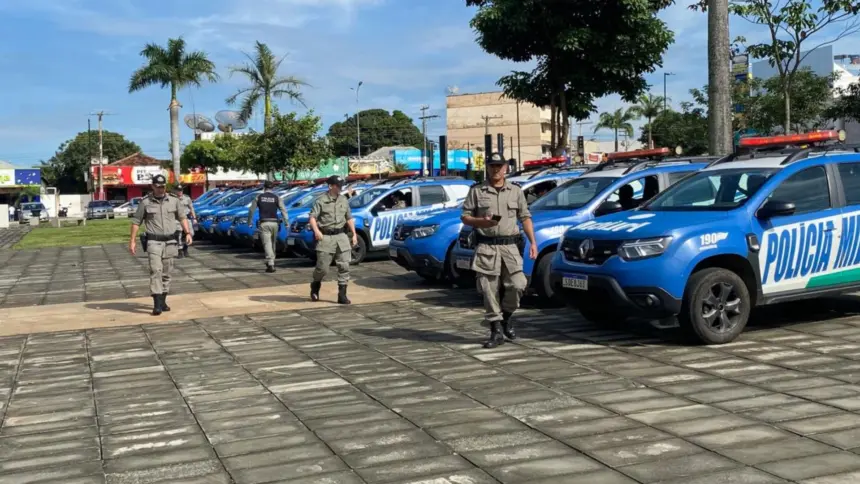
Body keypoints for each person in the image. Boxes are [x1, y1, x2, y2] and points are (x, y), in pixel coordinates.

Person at [461, 152, 537, 349]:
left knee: (518, 284)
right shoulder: (477, 191)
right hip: (487, 246)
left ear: (506, 168)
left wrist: (533, 242)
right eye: (492, 165)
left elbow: (525, 217)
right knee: (489, 290)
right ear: (487, 167)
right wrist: (481, 222)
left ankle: (507, 318)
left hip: (510, 247)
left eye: (499, 165)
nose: (496, 169)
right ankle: (496, 330)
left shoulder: (516, 191)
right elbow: (465, 217)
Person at [129, 174, 192, 316]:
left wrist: (188, 233)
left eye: (163, 186)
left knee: (166, 273)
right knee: (155, 270)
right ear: (152, 186)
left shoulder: (174, 201)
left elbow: (182, 217)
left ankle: (163, 300)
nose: (161, 189)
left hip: (170, 241)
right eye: (158, 187)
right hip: (154, 242)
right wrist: (132, 241)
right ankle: (156, 304)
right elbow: (136, 222)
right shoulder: (145, 203)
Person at [308, 175, 357, 304]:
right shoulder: (321, 201)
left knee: (344, 266)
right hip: (326, 237)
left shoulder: (343, 200)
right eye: (338, 185)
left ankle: (342, 295)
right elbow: (312, 217)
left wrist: (354, 233)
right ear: (331, 186)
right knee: (323, 268)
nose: (341, 188)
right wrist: (317, 231)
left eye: (341, 185)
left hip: (341, 237)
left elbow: (349, 217)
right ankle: (315, 285)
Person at [247, 180, 290, 273]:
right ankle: (271, 261)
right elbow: (283, 210)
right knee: (273, 243)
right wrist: (287, 222)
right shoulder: (276, 197)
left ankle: (270, 263)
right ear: (272, 188)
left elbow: (251, 210)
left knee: (267, 244)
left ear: (264, 188)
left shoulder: (259, 197)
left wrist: (249, 221)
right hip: (275, 223)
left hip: (264, 223)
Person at [173, 185, 196, 258]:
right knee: (178, 234)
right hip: (177, 219)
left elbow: (191, 208)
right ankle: (180, 251)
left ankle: (185, 248)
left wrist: (194, 218)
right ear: (175, 191)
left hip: (187, 218)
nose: (180, 192)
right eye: (178, 190)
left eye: (181, 190)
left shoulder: (187, 198)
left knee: (191, 233)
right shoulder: (173, 199)